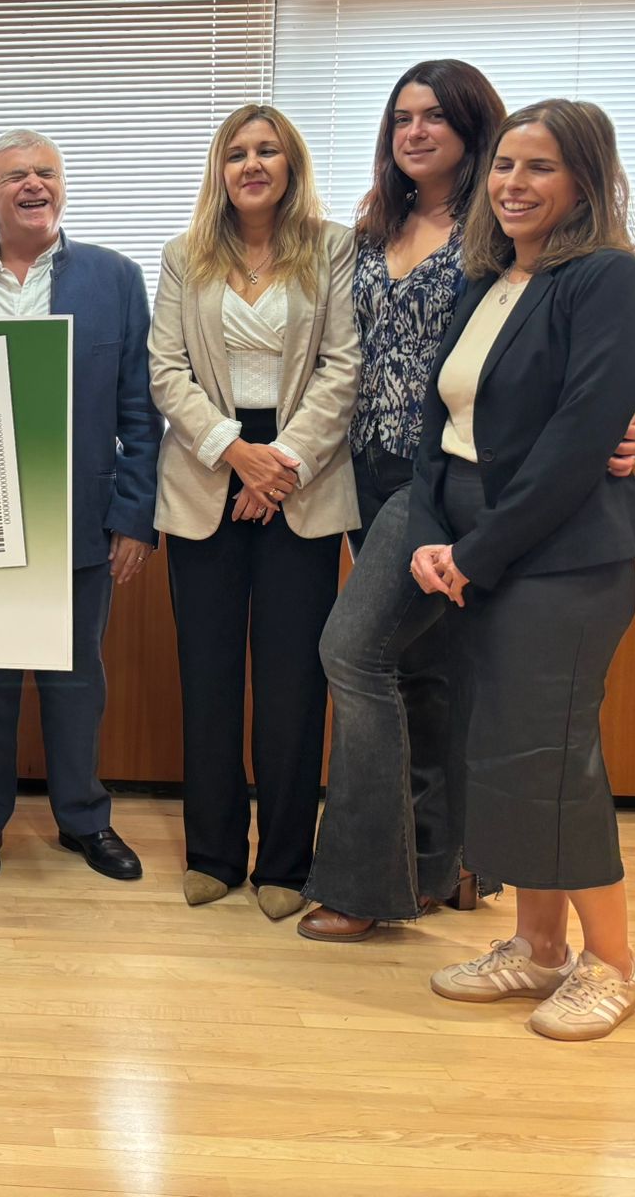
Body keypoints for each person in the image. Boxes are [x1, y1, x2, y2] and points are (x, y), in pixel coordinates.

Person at [300, 62, 635, 942]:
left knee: (418, 682)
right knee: (422, 681)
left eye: (438, 117)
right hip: (396, 482)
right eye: (403, 116)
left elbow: (589, 396)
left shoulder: (550, 258)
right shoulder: (395, 241)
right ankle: (462, 889)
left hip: (497, 505)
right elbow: (431, 386)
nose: (417, 131)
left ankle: (409, 878)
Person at [412, 100, 635, 1041]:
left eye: (540, 168)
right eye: (506, 165)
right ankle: (539, 948)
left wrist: (473, 554)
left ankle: (616, 964)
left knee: (554, 764)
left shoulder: (608, 281)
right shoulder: (490, 279)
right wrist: (440, 533)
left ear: (585, 181)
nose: (514, 183)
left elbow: (576, 444)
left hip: (565, 563)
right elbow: (454, 429)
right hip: (483, 551)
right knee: (504, 757)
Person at [0, 129, 161, 885]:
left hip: (79, 515)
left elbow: (139, 409)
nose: (33, 185)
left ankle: (84, 821)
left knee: (74, 678)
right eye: (14, 176)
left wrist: (133, 516)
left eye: (46, 173)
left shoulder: (116, 278)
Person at [149, 104, 359, 918]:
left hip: (301, 479)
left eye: (267, 150)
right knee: (207, 678)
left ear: (290, 162)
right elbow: (167, 371)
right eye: (236, 152)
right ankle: (212, 855)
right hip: (208, 475)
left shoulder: (332, 248)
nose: (252, 164)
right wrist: (234, 452)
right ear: (219, 169)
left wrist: (281, 466)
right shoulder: (183, 256)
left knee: (293, 682)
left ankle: (284, 863)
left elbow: (343, 367)